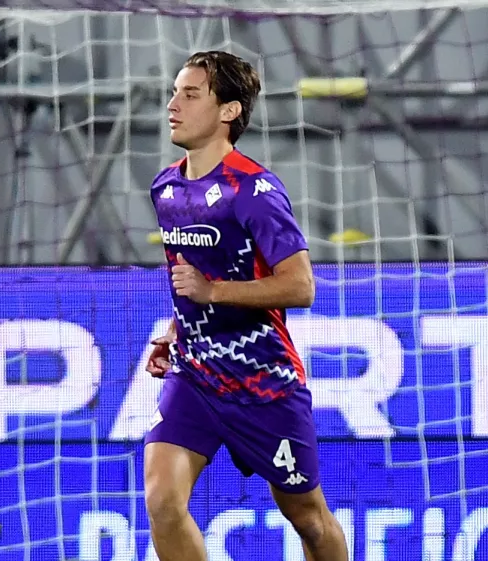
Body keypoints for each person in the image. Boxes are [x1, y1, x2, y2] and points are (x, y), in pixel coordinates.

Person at [143, 51, 350, 561]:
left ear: (229, 111)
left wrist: (213, 293)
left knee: (307, 519)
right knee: (162, 500)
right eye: (174, 92)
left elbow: (300, 286)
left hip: (263, 383)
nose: (173, 105)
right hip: (195, 376)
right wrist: (176, 329)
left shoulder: (253, 190)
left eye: (190, 95)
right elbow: (188, 281)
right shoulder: (166, 188)